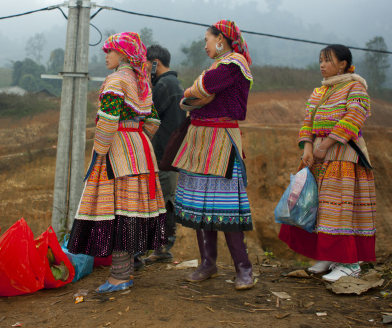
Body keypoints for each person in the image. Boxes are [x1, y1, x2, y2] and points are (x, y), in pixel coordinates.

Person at [67, 32, 167, 293]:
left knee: (118, 213)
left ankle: (120, 278)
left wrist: (100, 152)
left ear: (123, 54)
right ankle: (125, 272)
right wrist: (137, 138)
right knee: (131, 212)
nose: (106, 55)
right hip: (141, 152)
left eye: (109, 51)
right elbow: (154, 120)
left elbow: (108, 120)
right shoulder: (141, 82)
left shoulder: (115, 80)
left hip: (117, 151)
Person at [279, 44, 376, 282]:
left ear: (342, 64)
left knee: (340, 209)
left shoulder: (356, 88)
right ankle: (329, 256)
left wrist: (325, 146)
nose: (322, 64)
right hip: (320, 159)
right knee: (320, 208)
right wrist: (309, 148)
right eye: (320, 60)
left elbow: (353, 118)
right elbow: (307, 121)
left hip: (343, 156)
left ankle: (350, 263)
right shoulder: (319, 92)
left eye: (327, 60)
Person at [172, 20, 255, 290]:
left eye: (207, 38)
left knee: (226, 207)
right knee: (202, 207)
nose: (204, 44)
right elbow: (195, 97)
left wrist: (191, 95)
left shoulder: (233, 65)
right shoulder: (220, 66)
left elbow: (200, 90)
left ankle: (244, 268)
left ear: (221, 39)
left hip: (220, 140)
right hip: (201, 140)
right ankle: (208, 263)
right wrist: (193, 98)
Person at [140, 45, 186, 266]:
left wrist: (146, 88)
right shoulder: (173, 83)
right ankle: (161, 247)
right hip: (170, 154)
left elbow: (147, 114)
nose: (144, 67)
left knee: (163, 202)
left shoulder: (164, 85)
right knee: (165, 201)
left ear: (155, 62)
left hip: (163, 155)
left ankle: (162, 248)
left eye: (146, 63)